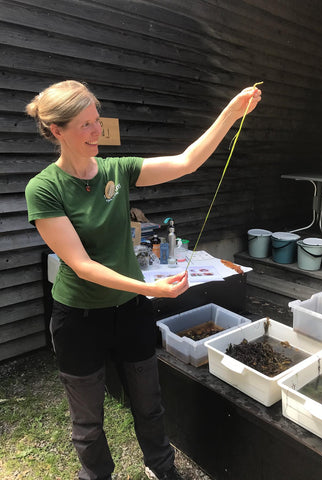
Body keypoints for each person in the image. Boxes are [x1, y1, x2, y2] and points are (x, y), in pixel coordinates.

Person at [24, 80, 262, 480]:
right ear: (56, 131)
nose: (96, 131)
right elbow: (82, 265)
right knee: (87, 422)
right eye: (84, 125)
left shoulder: (117, 170)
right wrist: (151, 289)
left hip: (130, 312)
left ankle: (162, 469)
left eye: (97, 121)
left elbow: (186, 161)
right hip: (79, 319)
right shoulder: (44, 188)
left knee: (149, 404)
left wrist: (231, 114)